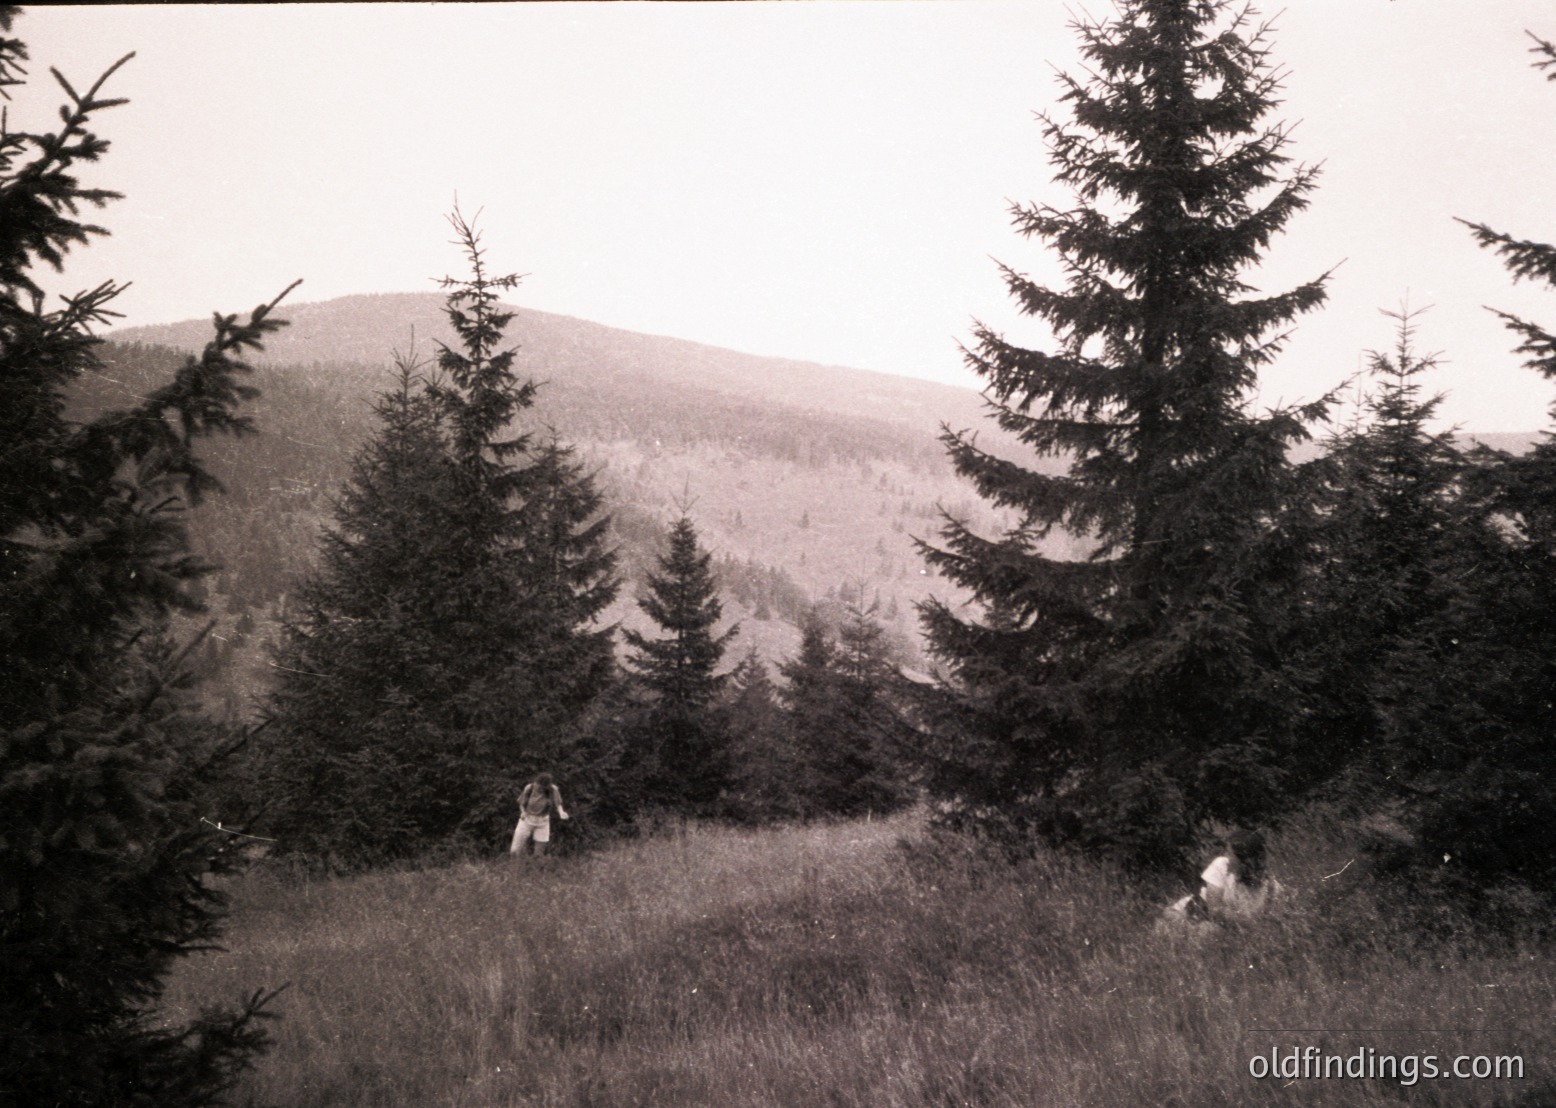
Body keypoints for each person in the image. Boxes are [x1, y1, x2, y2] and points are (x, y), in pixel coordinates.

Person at [1157, 829, 1281, 934]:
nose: (1227, 857)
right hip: (1195, 912)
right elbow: (1215, 911)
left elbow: (1271, 927)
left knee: (1210, 932)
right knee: (1200, 928)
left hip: (1223, 928)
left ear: (1245, 861)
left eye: (1230, 854)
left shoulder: (1271, 889)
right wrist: (1248, 924)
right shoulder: (1221, 865)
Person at [509, 772, 569, 857]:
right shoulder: (529, 788)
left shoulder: (553, 790)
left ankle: (536, 868)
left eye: (543, 787)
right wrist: (523, 812)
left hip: (543, 822)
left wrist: (561, 812)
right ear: (536, 782)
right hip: (527, 820)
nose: (540, 788)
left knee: (539, 854)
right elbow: (521, 803)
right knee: (514, 851)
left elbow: (558, 804)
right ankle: (515, 867)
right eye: (539, 785)